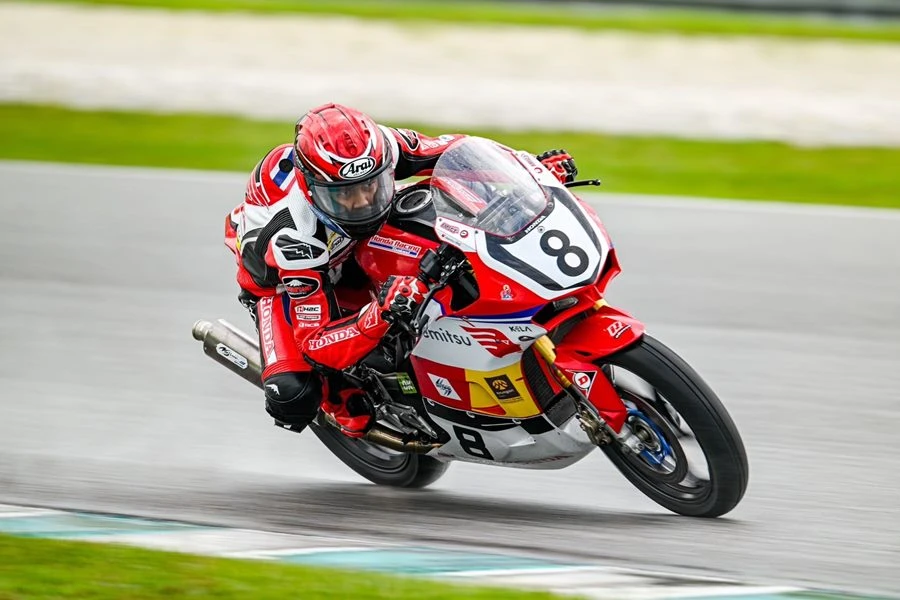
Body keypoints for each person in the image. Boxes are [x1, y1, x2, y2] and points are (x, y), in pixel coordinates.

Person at [224, 103, 577, 439]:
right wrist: (380, 313)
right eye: (344, 195)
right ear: (313, 190)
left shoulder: (383, 147)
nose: (363, 202)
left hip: (349, 240)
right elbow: (316, 341)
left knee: (448, 214)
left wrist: (528, 170)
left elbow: (458, 152)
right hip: (283, 284)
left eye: (370, 186)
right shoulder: (295, 238)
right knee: (294, 394)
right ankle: (340, 405)